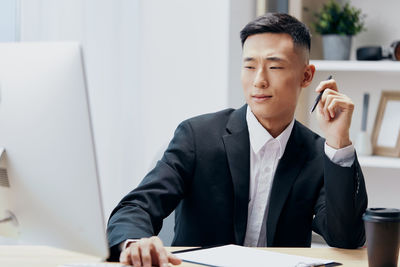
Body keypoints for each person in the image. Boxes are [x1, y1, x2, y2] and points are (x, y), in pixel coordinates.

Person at [107, 13, 367, 267]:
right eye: (249, 66)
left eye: (274, 66)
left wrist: (338, 140)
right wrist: (135, 243)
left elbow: (346, 237)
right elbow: (137, 206)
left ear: (307, 76)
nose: (259, 80)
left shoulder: (319, 153)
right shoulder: (198, 137)